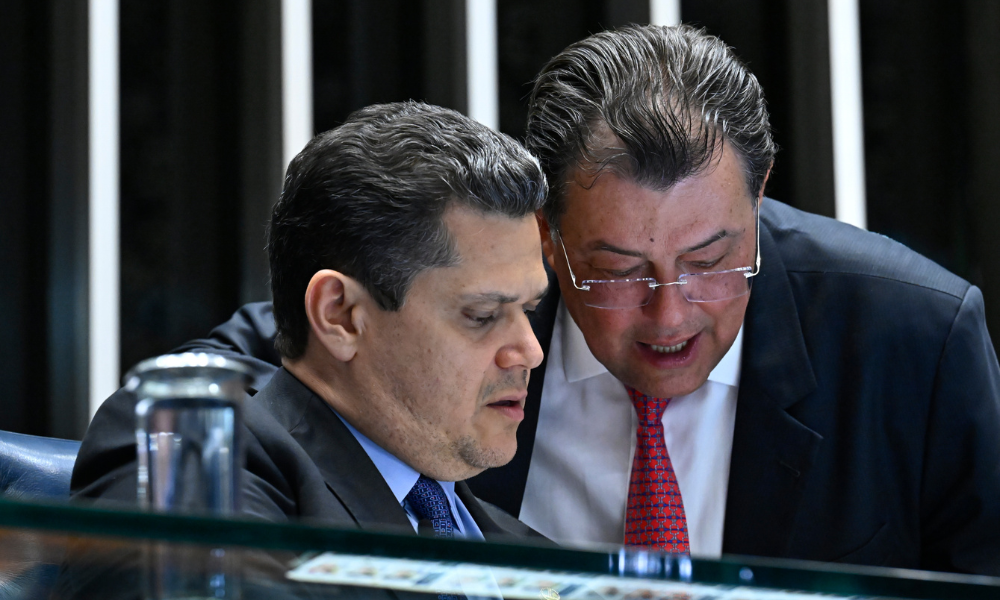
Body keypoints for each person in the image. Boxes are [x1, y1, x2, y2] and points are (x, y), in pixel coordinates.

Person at [81, 25, 1000, 575]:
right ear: (547, 235)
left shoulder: (914, 337)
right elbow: (249, 376)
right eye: (618, 270)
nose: (672, 311)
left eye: (715, 258)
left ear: (761, 204)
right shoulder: (476, 288)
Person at [70, 100, 551, 543]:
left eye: (528, 310)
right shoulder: (196, 459)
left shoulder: (526, 550)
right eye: (483, 315)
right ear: (339, 315)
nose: (530, 351)